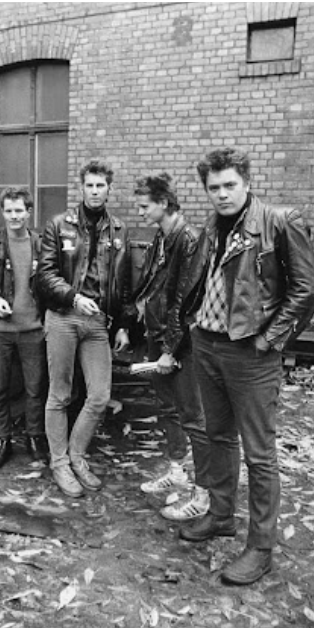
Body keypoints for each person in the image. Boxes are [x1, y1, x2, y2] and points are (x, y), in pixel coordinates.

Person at [177, 148, 313, 585]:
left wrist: (269, 340)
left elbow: (306, 290)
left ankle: (261, 546)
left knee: (259, 453)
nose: (221, 194)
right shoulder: (212, 226)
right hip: (209, 346)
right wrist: (190, 329)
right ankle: (220, 515)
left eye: (229, 185)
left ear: (247, 182)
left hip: (251, 354)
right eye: (214, 187)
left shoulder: (279, 221)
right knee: (218, 436)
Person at [35, 160, 133, 497]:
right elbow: (45, 276)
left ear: (109, 189)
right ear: (81, 187)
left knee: (100, 394)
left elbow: (123, 283)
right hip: (63, 315)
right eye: (89, 185)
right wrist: (74, 298)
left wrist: (121, 325)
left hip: (98, 323)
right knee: (60, 394)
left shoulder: (118, 230)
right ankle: (59, 462)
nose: (94, 191)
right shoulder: (59, 224)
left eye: (100, 186)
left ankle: (76, 456)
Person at [128, 173, 211, 520]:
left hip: (179, 344)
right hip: (158, 336)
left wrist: (171, 349)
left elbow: (186, 301)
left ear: (164, 203)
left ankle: (203, 494)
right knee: (168, 409)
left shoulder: (188, 239)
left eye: (145, 205)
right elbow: (152, 289)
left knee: (194, 417)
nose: (140, 211)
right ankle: (179, 472)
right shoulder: (161, 238)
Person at [0, 187, 48, 470]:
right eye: (8, 211)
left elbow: (51, 282)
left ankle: (34, 437)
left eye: (19, 211)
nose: (14, 216)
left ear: (29, 212)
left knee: (35, 388)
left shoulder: (41, 244)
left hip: (33, 328)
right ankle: (4, 441)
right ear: (3, 213)